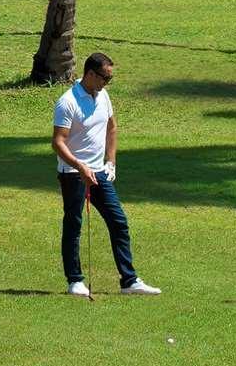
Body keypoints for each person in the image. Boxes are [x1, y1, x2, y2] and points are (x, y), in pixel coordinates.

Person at [52, 49, 159, 298]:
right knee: (74, 224)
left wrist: (110, 162)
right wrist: (80, 166)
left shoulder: (103, 96)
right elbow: (58, 142)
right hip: (73, 173)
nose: (106, 83)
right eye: (104, 78)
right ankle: (75, 281)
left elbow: (112, 128)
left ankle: (129, 280)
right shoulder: (68, 102)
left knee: (118, 221)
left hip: (99, 171)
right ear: (90, 74)